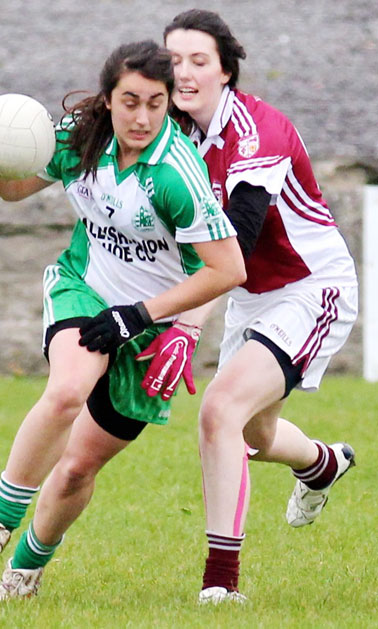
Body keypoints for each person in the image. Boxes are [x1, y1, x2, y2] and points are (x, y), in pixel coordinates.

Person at [0, 40, 246, 600]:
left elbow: (227, 269)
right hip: (82, 289)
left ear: (169, 104)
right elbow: (13, 190)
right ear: (108, 99)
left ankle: (25, 570)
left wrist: (141, 315)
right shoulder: (79, 139)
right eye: (129, 101)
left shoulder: (176, 174)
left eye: (155, 104)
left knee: (76, 469)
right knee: (66, 391)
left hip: (150, 328)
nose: (141, 117)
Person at [131, 10, 357, 604]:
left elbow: (237, 244)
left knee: (219, 410)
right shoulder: (170, 130)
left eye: (198, 61)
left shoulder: (260, 133)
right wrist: (18, 130)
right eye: (173, 60)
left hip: (313, 288)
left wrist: (182, 327)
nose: (183, 73)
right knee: (256, 432)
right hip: (250, 299)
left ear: (226, 71)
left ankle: (220, 585)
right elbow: (109, 117)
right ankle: (322, 464)